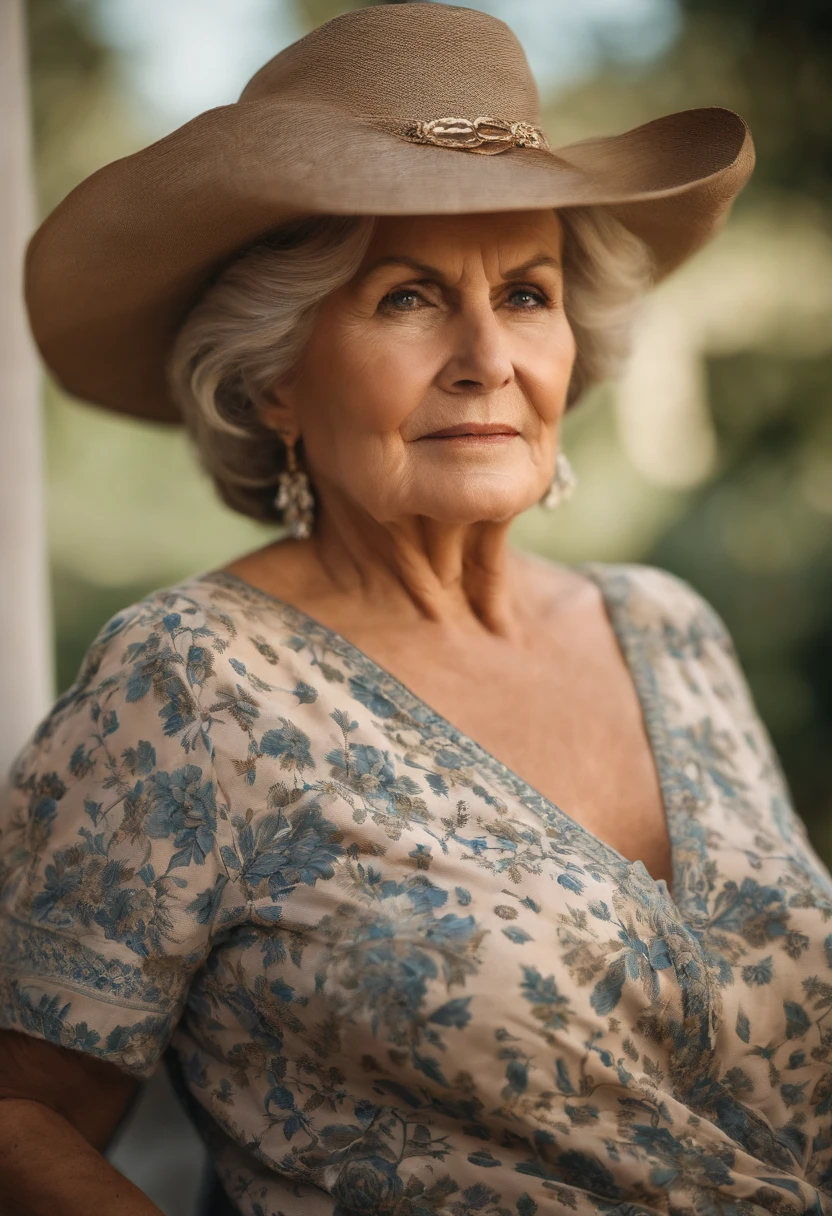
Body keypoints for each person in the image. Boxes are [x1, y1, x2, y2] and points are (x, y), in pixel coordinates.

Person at [2, 4, 829, 1215]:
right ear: (276, 373)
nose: (486, 355)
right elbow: (22, 1113)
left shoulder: (669, 626)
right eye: (406, 296)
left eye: (529, 293)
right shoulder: (186, 682)